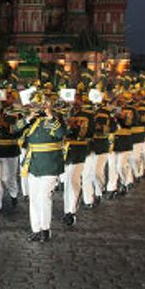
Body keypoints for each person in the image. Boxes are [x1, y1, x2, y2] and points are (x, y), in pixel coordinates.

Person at [16, 88, 65, 242]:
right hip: (33, 164)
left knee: (45, 197)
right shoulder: (31, 119)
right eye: (36, 104)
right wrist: (29, 116)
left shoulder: (55, 119)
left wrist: (50, 115)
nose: (38, 106)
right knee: (34, 198)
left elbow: (61, 134)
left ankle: (45, 229)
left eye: (41, 103)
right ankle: (36, 229)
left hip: (49, 164)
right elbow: (15, 130)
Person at [62, 84, 95, 225]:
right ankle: (67, 210)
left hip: (79, 149)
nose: (75, 101)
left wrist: (76, 127)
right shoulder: (62, 113)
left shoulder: (88, 115)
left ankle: (71, 211)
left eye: (78, 98)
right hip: (64, 151)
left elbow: (90, 133)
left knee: (73, 180)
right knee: (67, 182)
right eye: (73, 97)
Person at [0, 87, 22, 213]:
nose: (5, 99)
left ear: (13, 99)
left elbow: (19, 130)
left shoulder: (18, 112)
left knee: (8, 178)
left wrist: (5, 125)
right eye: (3, 96)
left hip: (11, 148)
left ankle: (13, 194)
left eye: (8, 97)